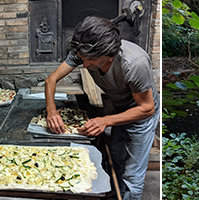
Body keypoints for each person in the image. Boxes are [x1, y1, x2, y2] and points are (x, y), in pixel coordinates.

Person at [43, 16, 159, 200]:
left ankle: (128, 195)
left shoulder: (134, 64)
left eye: (91, 61)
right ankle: (113, 193)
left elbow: (147, 108)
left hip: (141, 113)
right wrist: (51, 111)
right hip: (119, 107)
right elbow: (51, 80)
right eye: (83, 59)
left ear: (109, 55)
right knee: (115, 155)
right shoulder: (84, 51)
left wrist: (106, 120)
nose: (85, 65)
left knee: (132, 175)